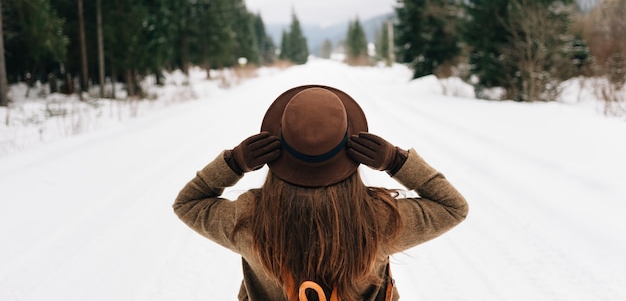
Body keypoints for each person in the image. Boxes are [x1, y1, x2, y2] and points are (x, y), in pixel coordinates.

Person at [173, 85, 468, 301]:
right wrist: (396, 161)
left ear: (278, 149)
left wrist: (234, 162)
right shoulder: (379, 218)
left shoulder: (248, 217)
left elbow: (188, 203)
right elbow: (453, 207)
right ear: (352, 152)